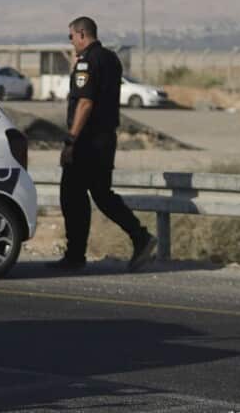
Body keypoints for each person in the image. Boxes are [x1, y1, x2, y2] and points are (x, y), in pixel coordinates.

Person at [47, 16, 157, 272]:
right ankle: (140, 236)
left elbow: (85, 103)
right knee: (101, 194)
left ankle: (75, 256)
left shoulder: (87, 62)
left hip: (87, 141)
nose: (71, 42)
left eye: (71, 37)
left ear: (82, 34)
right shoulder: (111, 58)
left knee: (71, 195)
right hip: (106, 139)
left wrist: (71, 140)